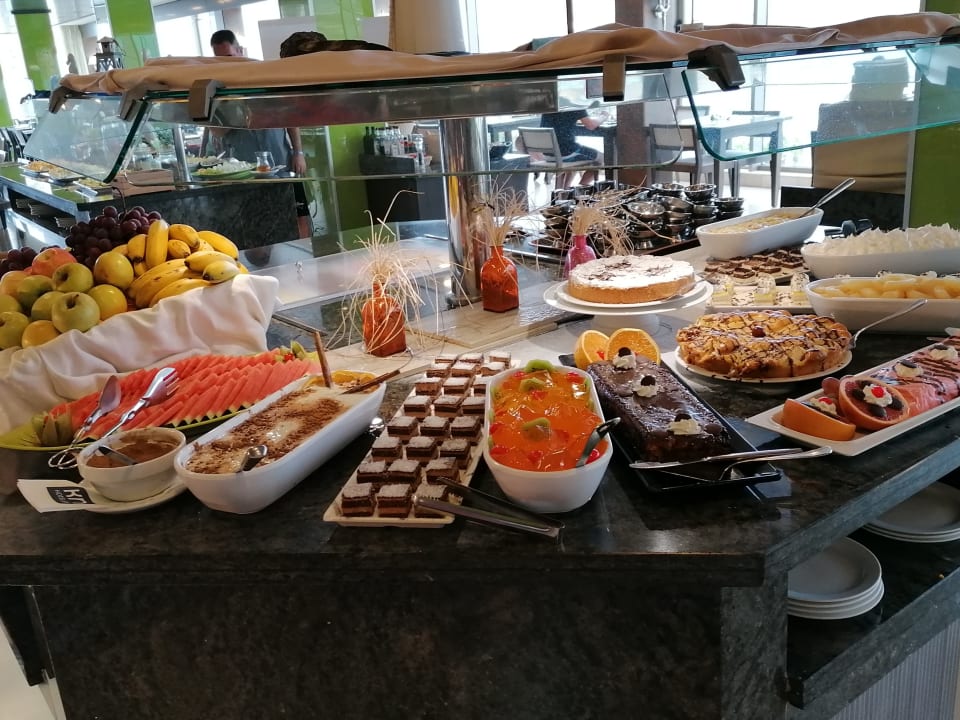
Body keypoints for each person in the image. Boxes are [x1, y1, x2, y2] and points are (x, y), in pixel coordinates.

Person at [207, 30, 307, 178]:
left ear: (240, 51)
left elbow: (290, 117)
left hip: (278, 159)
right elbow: (217, 132)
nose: (226, 63)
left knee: (286, 192)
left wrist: (298, 152)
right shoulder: (215, 88)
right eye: (219, 59)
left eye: (229, 56)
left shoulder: (265, 77)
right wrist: (237, 113)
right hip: (241, 167)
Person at [539, 108, 605, 187]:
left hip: (548, 155)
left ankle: (566, 189)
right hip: (566, 154)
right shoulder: (574, 106)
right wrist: (603, 116)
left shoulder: (551, 106)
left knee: (576, 153)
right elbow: (591, 125)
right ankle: (582, 187)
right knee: (602, 158)